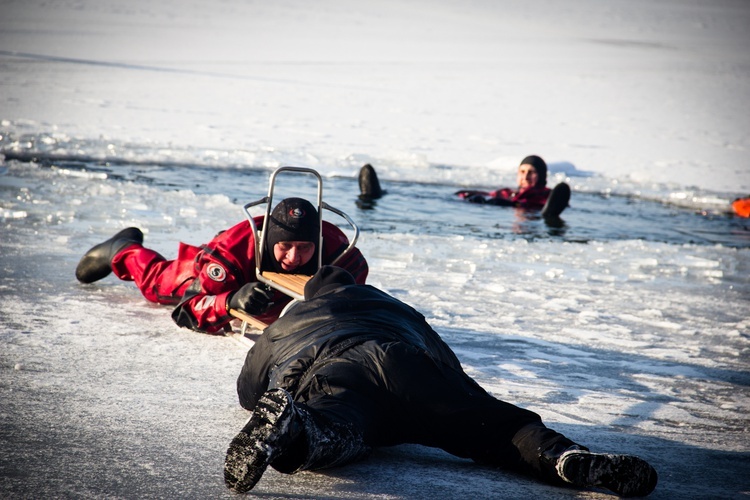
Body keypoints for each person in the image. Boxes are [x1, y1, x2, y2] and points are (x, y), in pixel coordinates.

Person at [224, 266, 658, 497]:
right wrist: (452, 403)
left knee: (337, 425)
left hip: (328, 371)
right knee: (499, 429)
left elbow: (249, 388)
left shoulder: (293, 318)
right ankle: (564, 459)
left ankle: (296, 429)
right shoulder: (398, 308)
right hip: (403, 363)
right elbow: (446, 361)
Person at [74, 198, 368, 334]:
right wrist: (230, 301)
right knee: (156, 284)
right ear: (270, 243)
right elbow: (187, 310)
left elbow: (356, 303)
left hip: (277, 298)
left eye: (304, 249)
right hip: (226, 272)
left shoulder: (343, 256)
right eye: (285, 247)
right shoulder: (231, 254)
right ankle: (123, 248)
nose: (293, 258)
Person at [455, 155, 551, 208]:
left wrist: (512, 204)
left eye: (531, 172)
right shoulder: (509, 193)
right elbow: (490, 195)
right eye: (522, 172)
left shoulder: (546, 194)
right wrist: (468, 194)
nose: (525, 177)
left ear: (541, 175)